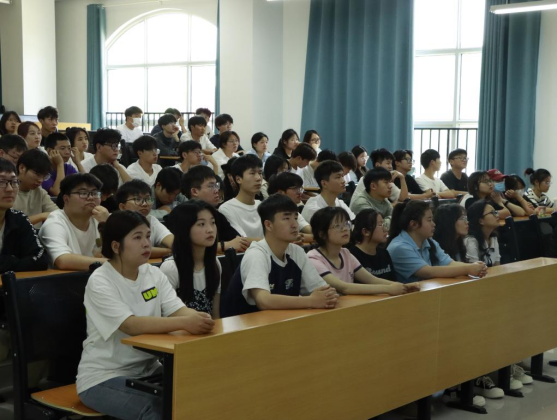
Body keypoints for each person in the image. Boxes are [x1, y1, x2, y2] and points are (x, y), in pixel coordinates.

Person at [76, 210, 214, 419]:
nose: (146, 244)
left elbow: (177, 310)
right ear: (116, 246)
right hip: (103, 377)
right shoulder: (100, 281)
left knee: (203, 391)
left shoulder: (153, 273)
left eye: (148, 236)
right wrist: (185, 322)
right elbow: (131, 325)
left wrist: (199, 318)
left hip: (149, 370)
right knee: (157, 410)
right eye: (137, 238)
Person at [220, 194, 339, 318]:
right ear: (268, 225)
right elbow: (263, 301)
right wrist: (311, 301)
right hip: (244, 325)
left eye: (295, 218)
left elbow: (322, 291)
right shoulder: (257, 254)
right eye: (286, 218)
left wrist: (327, 296)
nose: (294, 224)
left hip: (279, 320)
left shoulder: (297, 252)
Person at [308, 207, 413, 295]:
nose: (345, 229)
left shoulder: (345, 253)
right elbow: (344, 288)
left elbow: (371, 279)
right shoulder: (314, 259)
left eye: (346, 224)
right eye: (337, 226)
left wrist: (405, 287)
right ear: (322, 234)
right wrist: (388, 289)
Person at [387, 200, 487, 284]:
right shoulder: (399, 247)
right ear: (414, 224)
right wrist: (468, 269)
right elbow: (429, 272)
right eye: (429, 220)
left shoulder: (429, 241)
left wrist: (475, 266)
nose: (433, 224)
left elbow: (449, 263)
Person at [161, 201, 221, 317]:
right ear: (184, 229)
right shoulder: (171, 268)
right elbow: (167, 316)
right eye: (201, 224)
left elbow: (215, 314)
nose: (210, 230)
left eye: (213, 223)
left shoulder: (215, 263)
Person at [39, 173, 110, 270]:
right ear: (66, 199)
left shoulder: (102, 218)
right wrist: (112, 264)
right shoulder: (55, 223)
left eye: (94, 193)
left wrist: (107, 224)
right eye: (83, 193)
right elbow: (63, 260)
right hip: (67, 278)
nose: (90, 198)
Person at [182, 165, 249, 253]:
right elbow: (183, 247)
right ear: (195, 191)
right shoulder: (181, 216)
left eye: (216, 185)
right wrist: (224, 246)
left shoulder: (218, 216)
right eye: (210, 186)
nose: (217, 190)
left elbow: (238, 241)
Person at [0, 157, 48, 272]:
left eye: (14, 182)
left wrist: (7, 262)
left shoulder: (18, 219)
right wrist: (15, 260)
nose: (10, 189)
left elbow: (40, 259)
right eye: (1, 182)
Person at [116, 180, 174, 258]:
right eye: (137, 199)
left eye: (148, 199)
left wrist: (174, 248)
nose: (145, 204)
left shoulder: (151, 220)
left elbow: (174, 243)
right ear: (122, 207)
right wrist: (169, 251)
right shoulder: (115, 222)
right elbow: (135, 250)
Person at [219, 155, 264, 239]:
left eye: (260, 173)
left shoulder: (262, 206)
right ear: (238, 179)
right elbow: (242, 241)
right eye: (252, 173)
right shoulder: (227, 209)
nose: (258, 178)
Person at [13, 149, 60, 227]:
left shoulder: (40, 192)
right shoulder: (8, 192)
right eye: (37, 174)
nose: (41, 180)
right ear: (22, 168)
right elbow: (9, 224)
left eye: (44, 176)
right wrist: (41, 216)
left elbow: (57, 214)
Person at [349, 209, 396, 281]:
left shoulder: (384, 253)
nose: (385, 229)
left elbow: (394, 281)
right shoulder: (352, 255)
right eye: (380, 225)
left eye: (384, 224)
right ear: (366, 232)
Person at [267, 172, 313, 241]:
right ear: (280, 192)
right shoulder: (268, 211)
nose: (299, 192)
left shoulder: (292, 211)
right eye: (294, 188)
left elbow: (312, 231)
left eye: (299, 188)